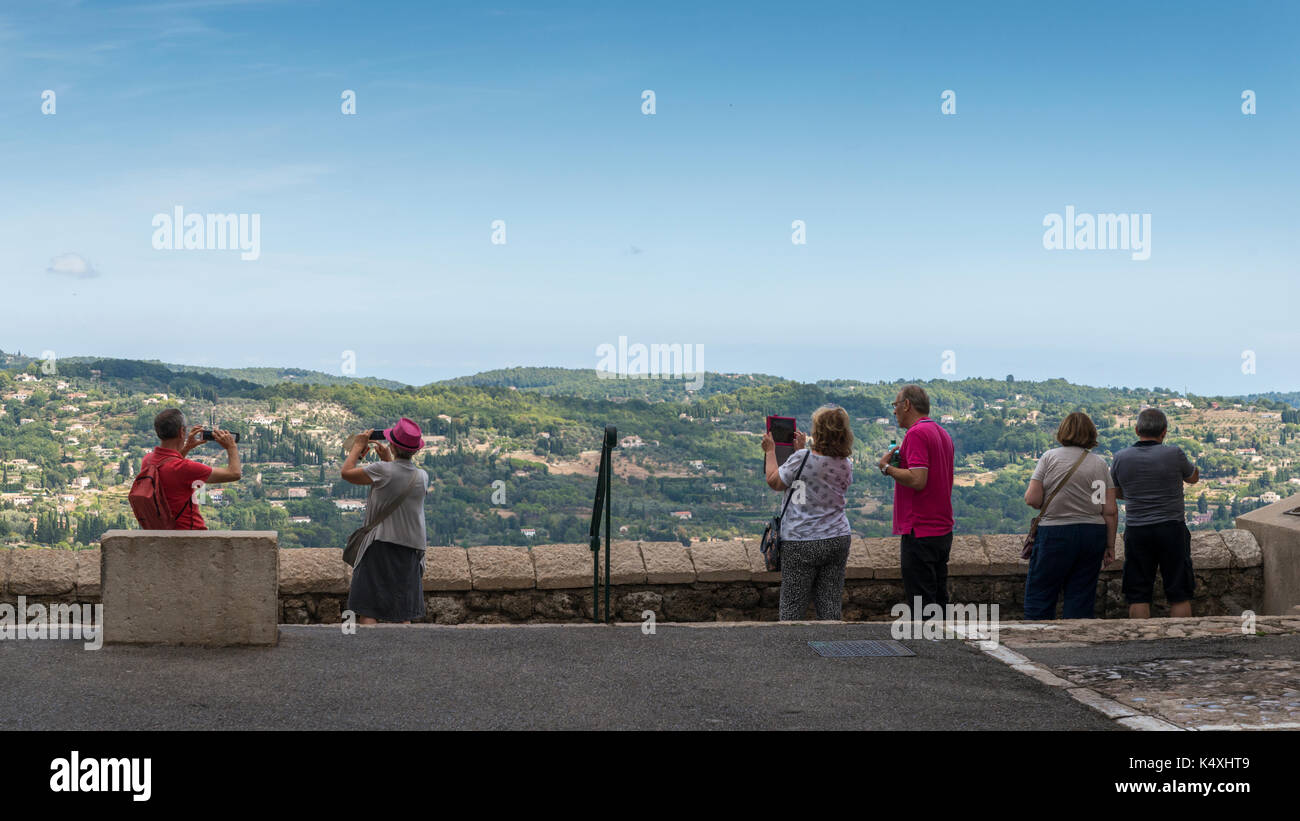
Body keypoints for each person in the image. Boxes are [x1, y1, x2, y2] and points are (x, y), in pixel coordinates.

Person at [761, 405, 854, 620]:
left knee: (793, 607)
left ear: (819, 431)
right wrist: (800, 451)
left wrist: (771, 451)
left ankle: (791, 650)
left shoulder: (802, 458)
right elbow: (815, 480)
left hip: (801, 539)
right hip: (837, 537)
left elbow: (774, 481)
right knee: (830, 604)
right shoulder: (846, 464)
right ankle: (831, 649)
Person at [1022, 412, 1118, 619]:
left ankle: (1037, 640)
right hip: (1092, 533)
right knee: (1081, 596)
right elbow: (1108, 509)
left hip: (1055, 532)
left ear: (1063, 432)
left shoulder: (1049, 458)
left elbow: (1032, 499)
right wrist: (1110, 546)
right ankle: (1077, 644)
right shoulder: (1099, 464)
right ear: (1091, 433)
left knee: (1041, 593)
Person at [1111, 408, 1199, 618]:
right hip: (1172, 528)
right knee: (1179, 592)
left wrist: (1136, 494)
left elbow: (1116, 491)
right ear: (1164, 431)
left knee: (1138, 593)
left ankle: (1140, 644)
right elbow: (1192, 478)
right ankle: (1180, 641)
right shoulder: (1174, 453)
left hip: (1137, 530)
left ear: (1136, 430)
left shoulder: (1121, 458)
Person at [341, 417, 430, 625]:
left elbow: (346, 473)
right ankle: (403, 654)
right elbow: (399, 480)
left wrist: (358, 446)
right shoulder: (422, 477)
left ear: (392, 444)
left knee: (368, 609)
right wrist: (389, 460)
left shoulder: (382, 470)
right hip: (410, 547)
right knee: (403, 612)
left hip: (379, 545)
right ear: (415, 450)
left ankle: (369, 654)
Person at [877, 385, 954, 612]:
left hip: (920, 528)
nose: (894, 411)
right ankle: (944, 644)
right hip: (941, 528)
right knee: (939, 599)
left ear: (907, 405)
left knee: (922, 605)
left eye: (896, 405)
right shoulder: (942, 433)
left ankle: (927, 646)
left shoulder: (916, 433)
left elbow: (918, 479)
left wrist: (886, 468)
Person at [142, 408, 242, 529]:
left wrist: (186, 448)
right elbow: (234, 473)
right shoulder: (186, 468)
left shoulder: (148, 460)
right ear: (181, 432)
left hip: (163, 531)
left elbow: (169, 465)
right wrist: (231, 447)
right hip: (190, 535)